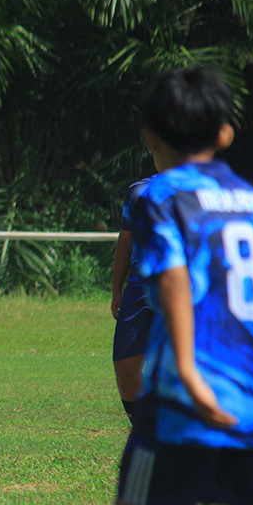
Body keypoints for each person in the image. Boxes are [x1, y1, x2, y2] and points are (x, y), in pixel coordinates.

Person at [115, 67, 253, 505]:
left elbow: (171, 278)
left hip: (186, 389)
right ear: (225, 134)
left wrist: (188, 371)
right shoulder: (252, 201)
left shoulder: (159, 195)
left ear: (150, 135)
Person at [110, 174, 155, 421]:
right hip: (139, 287)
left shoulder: (205, 190)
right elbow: (126, 241)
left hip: (186, 286)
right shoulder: (139, 191)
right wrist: (117, 289)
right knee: (125, 366)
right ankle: (140, 425)